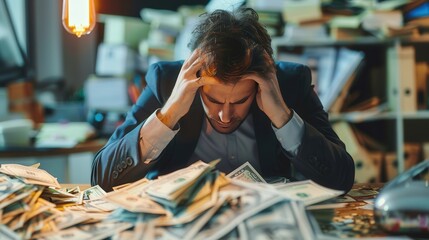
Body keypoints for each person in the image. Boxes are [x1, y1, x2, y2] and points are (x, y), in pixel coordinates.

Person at [91, 7, 355, 192]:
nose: (225, 116)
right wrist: (169, 113)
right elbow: (102, 178)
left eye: (240, 101)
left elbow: (341, 178)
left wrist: (282, 117)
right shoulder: (167, 81)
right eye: (213, 101)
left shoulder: (289, 83)